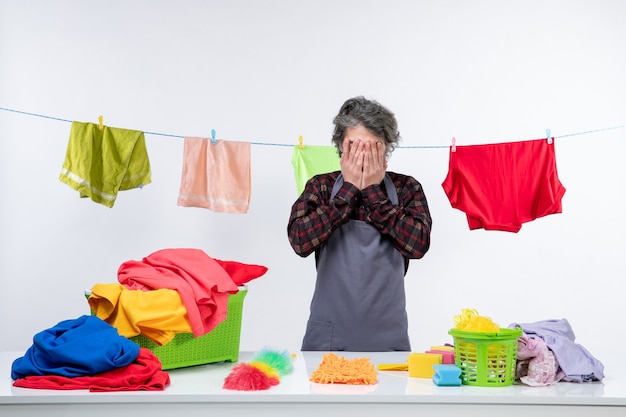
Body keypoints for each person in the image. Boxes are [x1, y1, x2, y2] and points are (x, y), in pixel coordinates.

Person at [287, 96, 432, 351]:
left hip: (388, 338)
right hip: (328, 339)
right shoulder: (321, 187)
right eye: (354, 147)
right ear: (340, 149)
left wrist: (374, 192)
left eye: (372, 148)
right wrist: (349, 190)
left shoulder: (407, 188)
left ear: (385, 150)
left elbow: (418, 244)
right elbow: (299, 240)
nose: (362, 156)